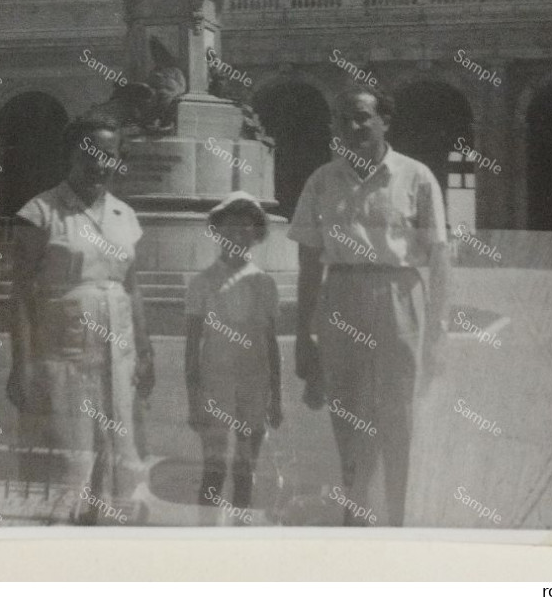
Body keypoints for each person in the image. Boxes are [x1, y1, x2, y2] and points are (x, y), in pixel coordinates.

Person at [288, 85, 450, 526]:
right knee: (347, 409)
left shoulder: (416, 177)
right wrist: (305, 335)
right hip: (341, 295)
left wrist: (436, 333)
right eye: (343, 118)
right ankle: (356, 511)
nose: (353, 126)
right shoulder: (321, 181)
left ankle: (397, 513)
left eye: (362, 117)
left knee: (398, 410)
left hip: (399, 296)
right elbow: (307, 262)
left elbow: (439, 258)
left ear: (385, 122)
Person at [6, 114, 154, 524]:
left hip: (117, 358)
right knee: (68, 463)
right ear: (69, 154)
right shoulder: (40, 212)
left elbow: (132, 287)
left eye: (109, 155)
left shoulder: (126, 216)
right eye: (89, 152)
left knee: (116, 458)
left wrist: (145, 351)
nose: (99, 163)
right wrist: (22, 364)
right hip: (62, 357)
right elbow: (20, 294)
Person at [185, 192, 282, 518]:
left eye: (246, 229)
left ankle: (241, 544)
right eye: (231, 228)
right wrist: (193, 396)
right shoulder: (202, 282)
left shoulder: (264, 282)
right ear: (218, 231)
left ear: (256, 235)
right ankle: (206, 544)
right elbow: (192, 345)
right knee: (214, 469)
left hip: (255, 383)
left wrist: (277, 397)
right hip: (216, 382)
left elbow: (271, 343)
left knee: (245, 470)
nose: (238, 235)